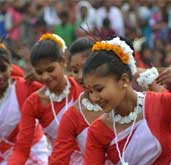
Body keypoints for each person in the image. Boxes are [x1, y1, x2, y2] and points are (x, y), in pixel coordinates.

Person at [83, 36, 171, 164]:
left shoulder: (161, 103)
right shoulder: (97, 131)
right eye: (90, 91)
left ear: (124, 80)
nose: (94, 98)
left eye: (99, 89)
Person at [8, 33, 82, 165]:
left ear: (63, 62)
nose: (45, 77)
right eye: (40, 72)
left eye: (50, 69)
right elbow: (21, 149)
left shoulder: (83, 89)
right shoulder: (34, 103)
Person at [49, 37, 104, 164]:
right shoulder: (72, 116)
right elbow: (58, 160)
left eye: (86, 68)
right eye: (75, 70)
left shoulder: (123, 99)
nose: (79, 76)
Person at [0, 47, 49, 164]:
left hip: (33, 151)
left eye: (3, 69)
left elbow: (57, 93)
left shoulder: (25, 86)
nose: (0, 76)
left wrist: (43, 79)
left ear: (11, 67)